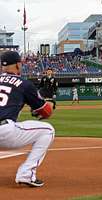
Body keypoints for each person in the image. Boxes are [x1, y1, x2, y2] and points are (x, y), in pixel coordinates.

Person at [0, 51, 55, 187]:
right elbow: (46, 112)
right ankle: (26, 174)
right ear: (18, 65)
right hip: (4, 131)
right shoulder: (24, 84)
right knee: (48, 130)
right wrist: (47, 106)